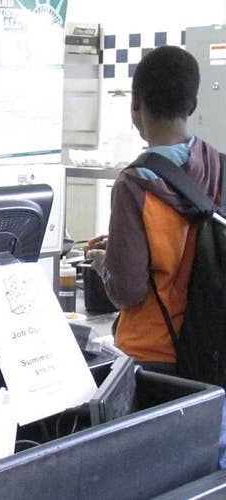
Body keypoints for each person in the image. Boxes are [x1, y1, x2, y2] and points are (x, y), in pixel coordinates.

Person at [86, 45, 226, 465]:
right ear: (193, 104)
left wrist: (103, 264)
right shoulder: (220, 167)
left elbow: (128, 289)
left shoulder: (134, 183)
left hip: (155, 357)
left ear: (135, 104)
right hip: (213, 349)